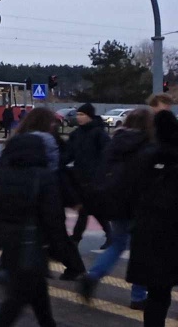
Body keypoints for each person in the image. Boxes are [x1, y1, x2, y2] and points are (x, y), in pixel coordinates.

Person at [0, 107, 70, 327]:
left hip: (9, 237)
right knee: (19, 295)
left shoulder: (6, 173)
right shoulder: (44, 176)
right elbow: (53, 217)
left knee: (37, 289)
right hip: (31, 240)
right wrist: (61, 249)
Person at [79, 109, 153, 309]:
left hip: (115, 202)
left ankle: (93, 275)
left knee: (118, 244)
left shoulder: (116, 142)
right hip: (139, 204)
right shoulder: (147, 144)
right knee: (143, 250)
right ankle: (139, 296)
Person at [127, 110, 178, 326]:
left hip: (149, 232)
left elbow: (129, 191)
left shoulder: (145, 156)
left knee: (157, 294)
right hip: (174, 232)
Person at [66, 103, 112, 249]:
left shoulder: (99, 134)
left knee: (84, 209)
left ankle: (75, 239)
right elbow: (69, 154)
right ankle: (110, 234)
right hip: (79, 177)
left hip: (94, 178)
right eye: (78, 114)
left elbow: (108, 154)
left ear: (90, 116)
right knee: (93, 209)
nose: (79, 117)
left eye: (82, 115)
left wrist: (102, 173)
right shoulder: (76, 134)